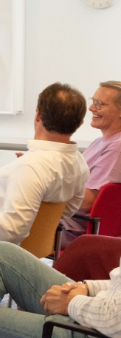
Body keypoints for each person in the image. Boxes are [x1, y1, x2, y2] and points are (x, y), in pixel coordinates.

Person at [0, 83, 89, 248]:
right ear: (79, 123)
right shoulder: (79, 163)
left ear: (38, 115)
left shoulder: (31, 167)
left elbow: (11, 231)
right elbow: (66, 211)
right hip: (23, 251)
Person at [59, 81, 121, 247]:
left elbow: (87, 203)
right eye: (93, 101)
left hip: (71, 230)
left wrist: (49, 178)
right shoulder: (100, 142)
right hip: (66, 222)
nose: (92, 108)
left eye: (99, 103)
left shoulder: (117, 147)